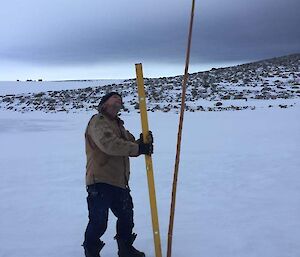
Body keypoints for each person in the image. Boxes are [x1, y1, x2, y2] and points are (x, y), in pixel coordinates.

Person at [82, 92, 153, 257]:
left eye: (120, 100)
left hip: (119, 182)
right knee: (99, 221)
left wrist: (142, 143)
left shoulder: (118, 125)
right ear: (104, 103)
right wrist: (138, 148)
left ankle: (126, 248)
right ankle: (91, 251)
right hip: (100, 180)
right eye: (114, 98)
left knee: (127, 216)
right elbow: (109, 145)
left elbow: (130, 144)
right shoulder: (98, 121)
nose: (118, 100)